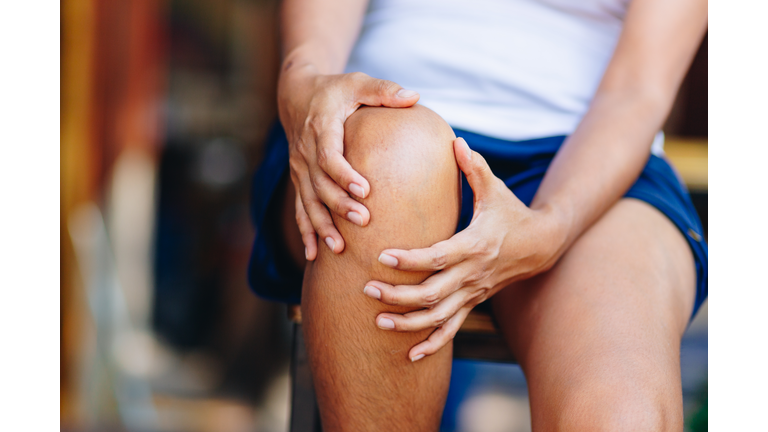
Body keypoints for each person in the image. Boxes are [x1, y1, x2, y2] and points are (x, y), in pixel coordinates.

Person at [248, 0, 708, 430]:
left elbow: (638, 89)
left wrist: (551, 225)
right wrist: (305, 80)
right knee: (391, 165)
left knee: (618, 413)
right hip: (382, 118)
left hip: (591, 159)